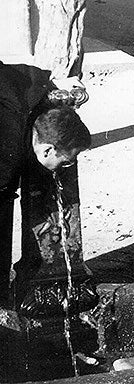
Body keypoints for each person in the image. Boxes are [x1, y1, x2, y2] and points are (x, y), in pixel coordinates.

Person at [0, 61, 91, 306]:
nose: (65, 169)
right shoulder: (7, 153)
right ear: (48, 150)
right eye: (65, 162)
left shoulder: (36, 94)